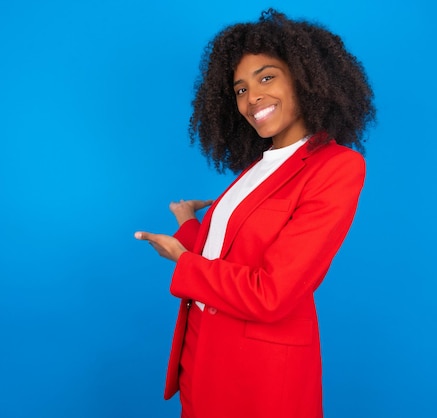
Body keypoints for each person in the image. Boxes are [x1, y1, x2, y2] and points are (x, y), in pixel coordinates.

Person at [134, 8, 375, 418]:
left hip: (257, 378)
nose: (252, 97)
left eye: (266, 77)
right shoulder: (257, 167)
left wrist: (181, 260)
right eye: (240, 89)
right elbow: (228, 256)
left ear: (305, 77)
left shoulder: (336, 166)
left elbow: (272, 294)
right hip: (203, 357)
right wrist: (189, 226)